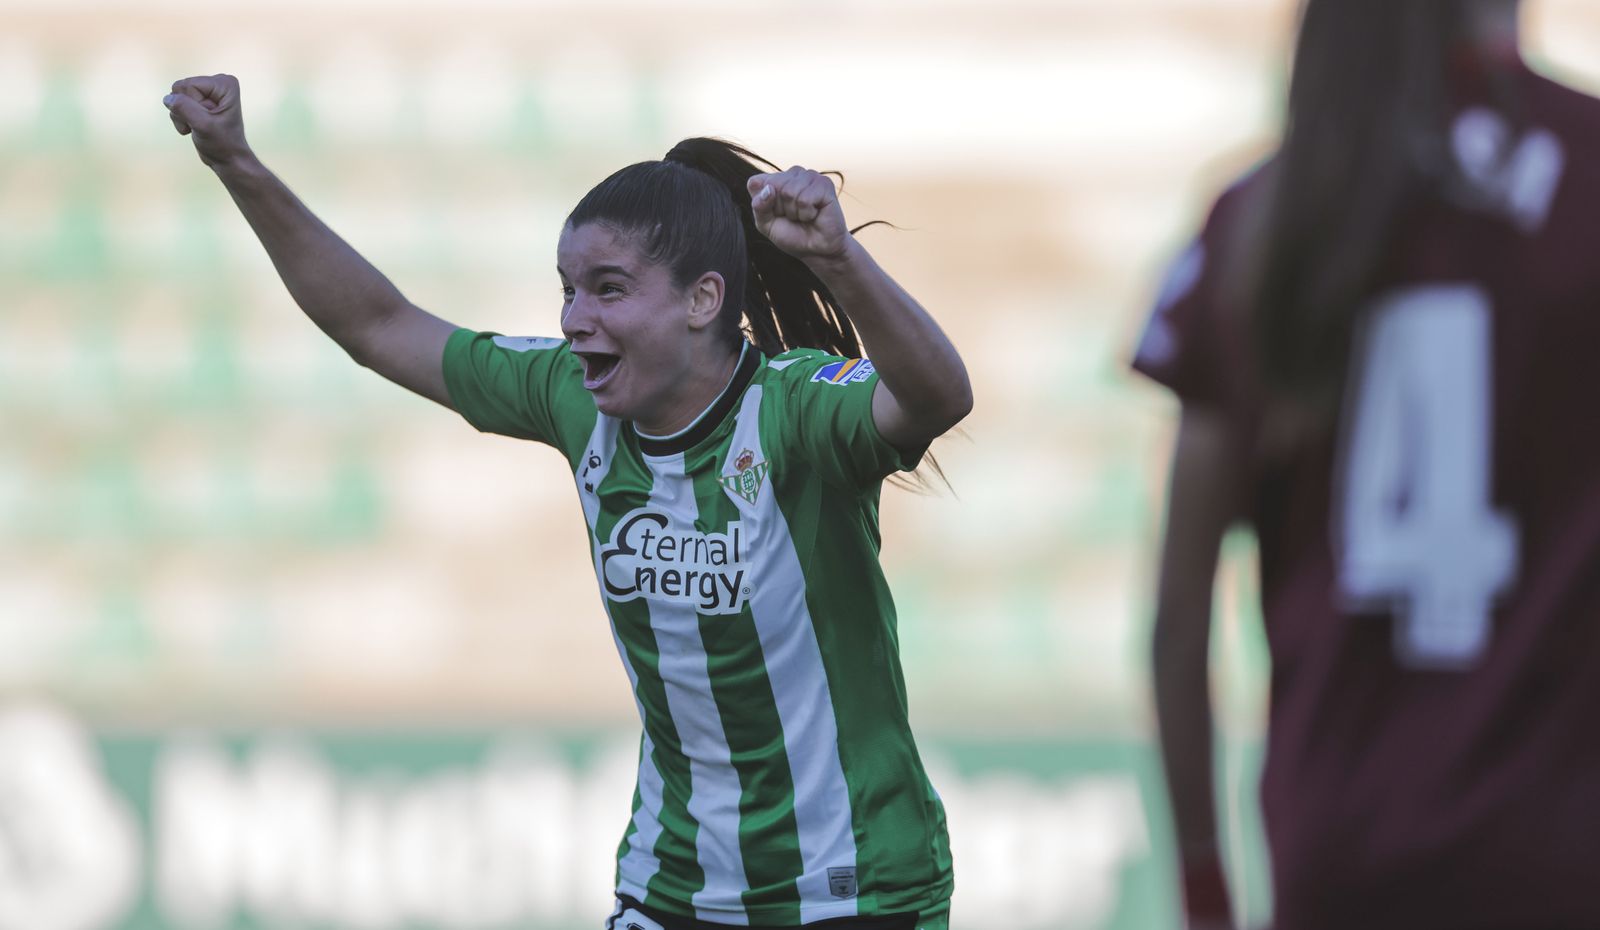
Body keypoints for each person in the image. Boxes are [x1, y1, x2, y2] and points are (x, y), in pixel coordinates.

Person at [163, 75, 968, 930]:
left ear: (703, 300)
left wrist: (839, 261)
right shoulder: (573, 398)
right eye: (568, 288)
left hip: (854, 888)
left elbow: (936, 397)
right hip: (676, 887)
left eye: (609, 289)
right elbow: (380, 326)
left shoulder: (795, 410)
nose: (576, 318)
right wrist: (236, 162)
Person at [1134, 1, 1600, 928]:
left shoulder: (1262, 216)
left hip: (1341, 850)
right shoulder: (1590, 174)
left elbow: (1182, 621)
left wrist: (1203, 889)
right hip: (1561, 851)